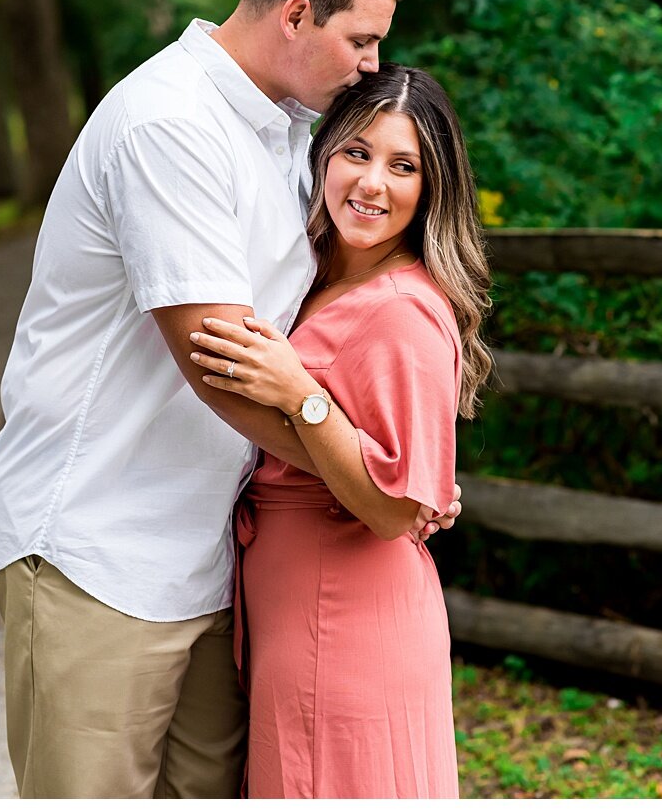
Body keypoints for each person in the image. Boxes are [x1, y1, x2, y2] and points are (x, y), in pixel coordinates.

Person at [0, 0, 461, 798]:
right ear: (295, 15)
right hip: (100, 548)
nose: (370, 64)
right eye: (361, 39)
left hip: (208, 562)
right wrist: (374, 477)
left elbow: (330, 336)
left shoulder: (286, 130)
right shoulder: (171, 124)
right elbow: (219, 363)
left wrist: (401, 461)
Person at [189, 64, 490, 796]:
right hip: (300, 609)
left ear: (432, 187)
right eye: (357, 151)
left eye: (403, 165)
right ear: (324, 154)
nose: (372, 183)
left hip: (346, 620)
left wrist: (303, 396)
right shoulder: (309, 272)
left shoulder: (404, 310)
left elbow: (393, 508)